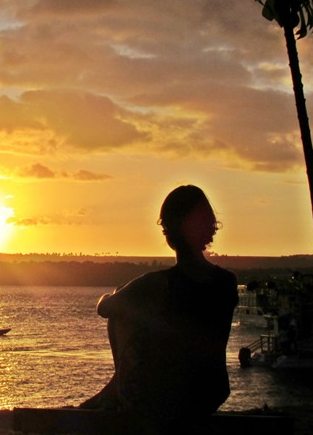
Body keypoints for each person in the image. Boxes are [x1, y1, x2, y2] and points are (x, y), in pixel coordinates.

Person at [79, 185, 238, 431]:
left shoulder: (158, 284)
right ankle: (113, 389)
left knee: (123, 313)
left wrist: (121, 292)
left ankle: (115, 389)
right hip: (211, 392)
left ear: (169, 230)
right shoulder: (227, 282)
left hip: (169, 397)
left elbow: (105, 307)